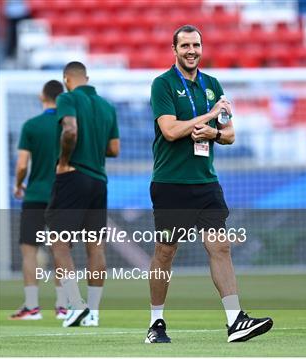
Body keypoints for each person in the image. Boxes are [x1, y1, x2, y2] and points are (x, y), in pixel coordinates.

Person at [146, 24, 273, 344]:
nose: (191, 51)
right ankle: (156, 324)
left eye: (196, 45)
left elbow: (229, 134)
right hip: (171, 182)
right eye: (185, 45)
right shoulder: (162, 84)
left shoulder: (213, 85)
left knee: (221, 246)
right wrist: (206, 119)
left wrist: (214, 131)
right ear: (173, 50)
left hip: (206, 181)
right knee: (165, 251)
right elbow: (171, 131)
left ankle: (235, 321)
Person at [45, 61, 120, 327]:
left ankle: (76, 305)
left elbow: (70, 130)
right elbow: (114, 149)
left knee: (59, 241)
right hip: (99, 180)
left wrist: (64, 160)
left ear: (67, 79)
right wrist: (94, 144)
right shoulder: (107, 106)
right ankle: (94, 313)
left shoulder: (67, 98)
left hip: (74, 176)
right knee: (96, 246)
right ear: (86, 78)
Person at [9, 80, 68, 321]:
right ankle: (62, 306)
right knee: (61, 251)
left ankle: (32, 307)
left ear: (42, 96)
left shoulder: (31, 125)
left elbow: (22, 164)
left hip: (35, 195)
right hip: (62, 195)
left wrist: (18, 184)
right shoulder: (68, 125)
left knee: (29, 252)